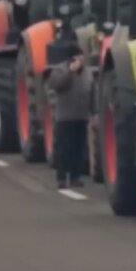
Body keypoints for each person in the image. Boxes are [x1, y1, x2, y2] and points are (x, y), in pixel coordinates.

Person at [48, 49, 92, 189]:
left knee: (78, 149)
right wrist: (70, 72)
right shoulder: (60, 70)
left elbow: (91, 90)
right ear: (71, 58)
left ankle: (75, 177)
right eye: (77, 57)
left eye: (81, 57)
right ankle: (61, 177)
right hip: (65, 117)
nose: (80, 60)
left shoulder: (87, 72)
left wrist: (93, 111)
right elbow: (57, 85)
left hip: (81, 116)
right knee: (64, 149)